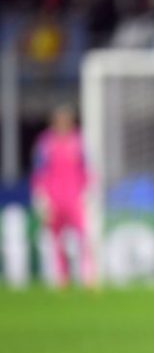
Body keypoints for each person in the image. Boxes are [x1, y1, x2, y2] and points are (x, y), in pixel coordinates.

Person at [30, 104, 95, 288]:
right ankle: (61, 278)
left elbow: (86, 168)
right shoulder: (45, 143)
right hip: (54, 198)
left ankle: (87, 276)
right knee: (56, 240)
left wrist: (87, 191)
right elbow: (39, 171)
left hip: (74, 197)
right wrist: (41, 196)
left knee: (83, 237)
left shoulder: (78, 142)